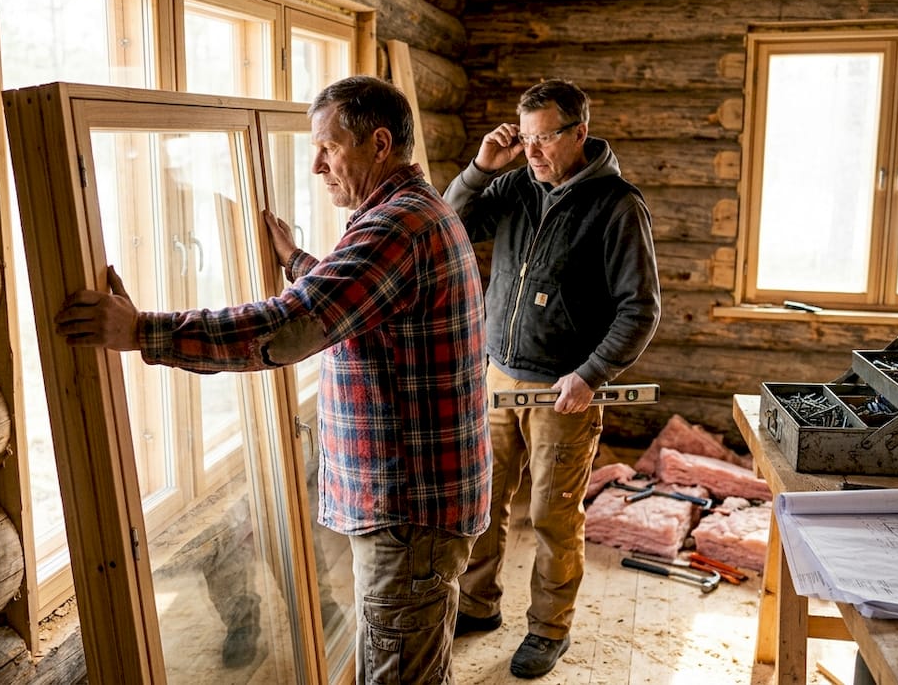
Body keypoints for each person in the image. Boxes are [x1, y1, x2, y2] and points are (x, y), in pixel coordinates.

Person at [54, 75, 491, 685]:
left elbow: (293, 325)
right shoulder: (409, 214)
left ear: (380, 144)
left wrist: (143, 332)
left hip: (410, 513)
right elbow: (357, 302)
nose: (315, 165)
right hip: (421, 501)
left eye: (328, 148)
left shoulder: (395, 227)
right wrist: (296, 262)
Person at [443, 78, 660, 679]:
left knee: (550, 517)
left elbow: (640, 308)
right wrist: (483, 167)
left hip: (565, 392)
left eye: (544, 139)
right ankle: (479, 605)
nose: (532, 151)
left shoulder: (617, 205)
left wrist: (591, 375)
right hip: (496, 379)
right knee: (482, 504)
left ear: (579, 134)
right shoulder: (514, 183)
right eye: (526, 138)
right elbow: (450, 224)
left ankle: (548, 630)